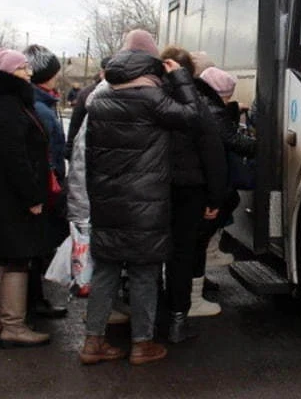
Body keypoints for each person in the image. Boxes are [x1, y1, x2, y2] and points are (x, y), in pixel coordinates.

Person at [80, 29, 203, 365]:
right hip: (145, 204)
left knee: (105, 271)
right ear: (151, 65)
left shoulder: (100, 100)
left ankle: (93, 343)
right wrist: (180, 77)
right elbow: (192, 116)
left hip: (106, 201)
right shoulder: (151, 100)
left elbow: (88, 156)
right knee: (144, 272)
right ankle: (141, 343)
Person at [0, 48, 56, 349]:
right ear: (8, 73)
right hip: (12, 198)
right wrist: (32, 196)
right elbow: (16, 157)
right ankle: (14, 325)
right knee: (18, 258)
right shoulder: (9, 106)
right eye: (22, 68)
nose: (29, 72)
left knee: (2, 256)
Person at [159, 45, 228, 334]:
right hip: (190, 191)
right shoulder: (198, 104)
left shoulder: (151, 99)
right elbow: (212, 152)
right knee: (182, 255)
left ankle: (148, 323)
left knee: (151, 255)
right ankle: (177, 321)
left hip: (154, 188)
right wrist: (216, 197)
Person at [195, 66, 257, 293]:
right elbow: (231, 140)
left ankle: (197, 284)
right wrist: (265, 146)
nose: (229, 100)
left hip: (198, 180)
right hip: (204, 182)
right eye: (227, 97)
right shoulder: (212, 110)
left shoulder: (202, 102)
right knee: (197, 239)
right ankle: (193, 293)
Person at [23, 44, 68, 319]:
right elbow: (49, 155)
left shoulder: (38, 103)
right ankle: (34, 302)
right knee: (37, 247)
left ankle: (34, 299)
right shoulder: (42, 108)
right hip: (44, 190)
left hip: (41, 188)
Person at [65, 56, 110, 160]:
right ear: (102, 73)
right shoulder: (87, 93)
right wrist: (70, 148)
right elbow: (76, 123)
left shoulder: (124, 92)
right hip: (88, 149)